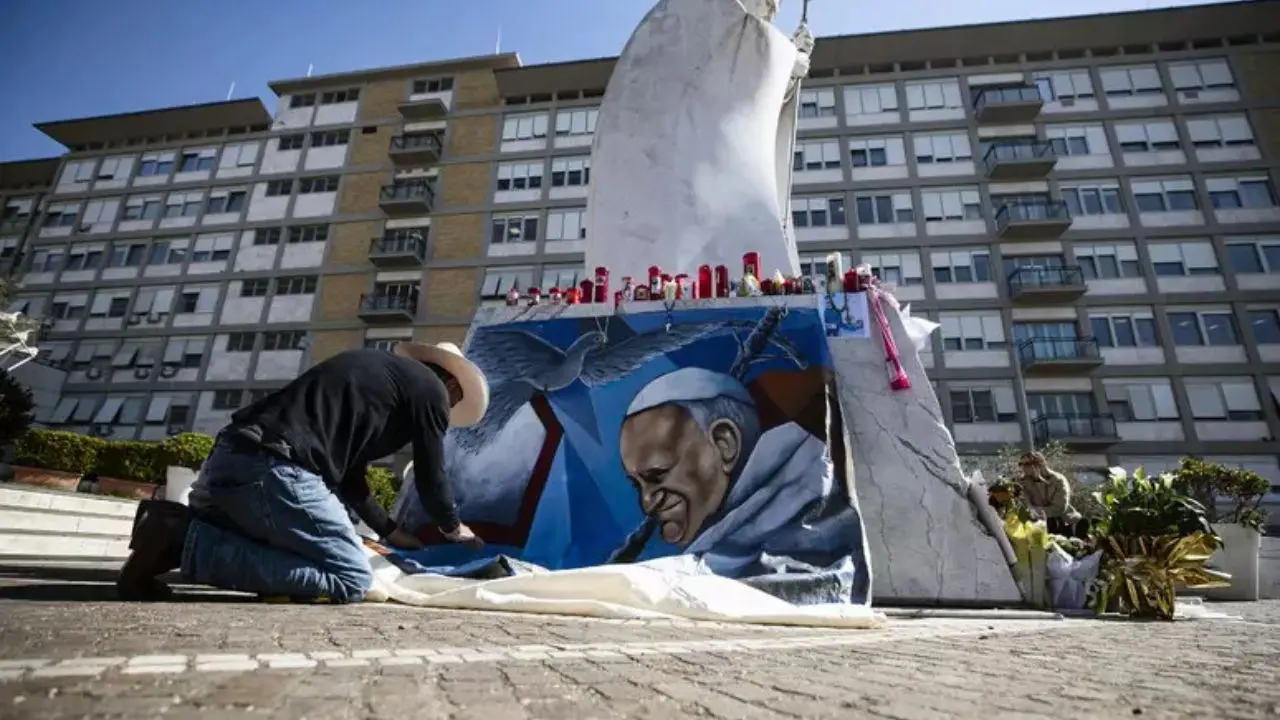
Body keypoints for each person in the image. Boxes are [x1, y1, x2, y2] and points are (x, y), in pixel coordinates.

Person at [116, 342, 489, 603]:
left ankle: (166, 524)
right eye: (453, 402)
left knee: (282, 545)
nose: (448, 409)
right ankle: (180, 539)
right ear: (451, 382)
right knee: (352, 579)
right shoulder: (432, 391)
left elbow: (349, 478)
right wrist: (452, 526)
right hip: (275, 469)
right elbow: (430, 471)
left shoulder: (375, 379)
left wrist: (390, 530)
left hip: (230, 458)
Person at [613, 368, 868, 603]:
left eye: (658, 475)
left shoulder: (804, 505)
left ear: (725, 444)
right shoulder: (721, 542)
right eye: (638, 486)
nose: (647, 503)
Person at [1015, 452, 1082, 536]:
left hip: (1063, 521)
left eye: (1027, 464)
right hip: (1036, 524)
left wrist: (1035, 512)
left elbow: (1059, 508)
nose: (1023, 467)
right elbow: (1025, 505)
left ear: (1039, 464)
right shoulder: (1023, 483)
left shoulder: (1058, 480)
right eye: (1021, 464)